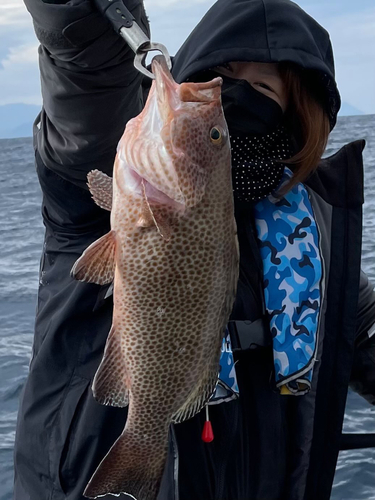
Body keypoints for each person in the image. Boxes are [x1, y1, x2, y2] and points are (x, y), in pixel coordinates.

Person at [14, 0, 375, 499]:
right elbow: (87, 72)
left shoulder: (314, 247)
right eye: (223, 72)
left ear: (296, 115)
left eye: (265, 87)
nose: (229, 94)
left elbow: (364, 330)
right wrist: (80, 18)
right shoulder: (110, 188)